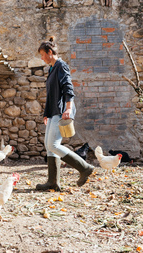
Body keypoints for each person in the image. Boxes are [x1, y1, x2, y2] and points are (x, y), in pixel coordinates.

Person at [35, 36, 94, 191]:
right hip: (53, 111)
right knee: (49, 147)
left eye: (42, 55)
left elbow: (68, 87)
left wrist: (68, 108)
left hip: (61, 111)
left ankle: (84, 168)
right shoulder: (52, 69)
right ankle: (53, 182)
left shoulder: (61, 66)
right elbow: (51, 94)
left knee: (53, 145)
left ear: (49, 52)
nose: (41, 58)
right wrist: (46, 113)